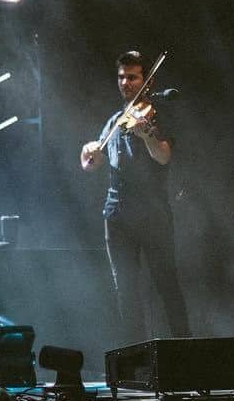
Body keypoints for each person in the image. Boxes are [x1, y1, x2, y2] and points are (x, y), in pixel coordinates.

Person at [79, 50, 190, 341]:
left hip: (152, 214)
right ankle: (136, 357)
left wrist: (148, 135)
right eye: (121, 77)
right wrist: (88, 153)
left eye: (132, 77)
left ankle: (185, 347)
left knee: (166, 283)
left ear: (146, 81)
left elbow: (163, 157)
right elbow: (93, 164)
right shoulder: (116, 119)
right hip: (116, 215)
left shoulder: (156, 115)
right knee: (125, 290)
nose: (125, 83)